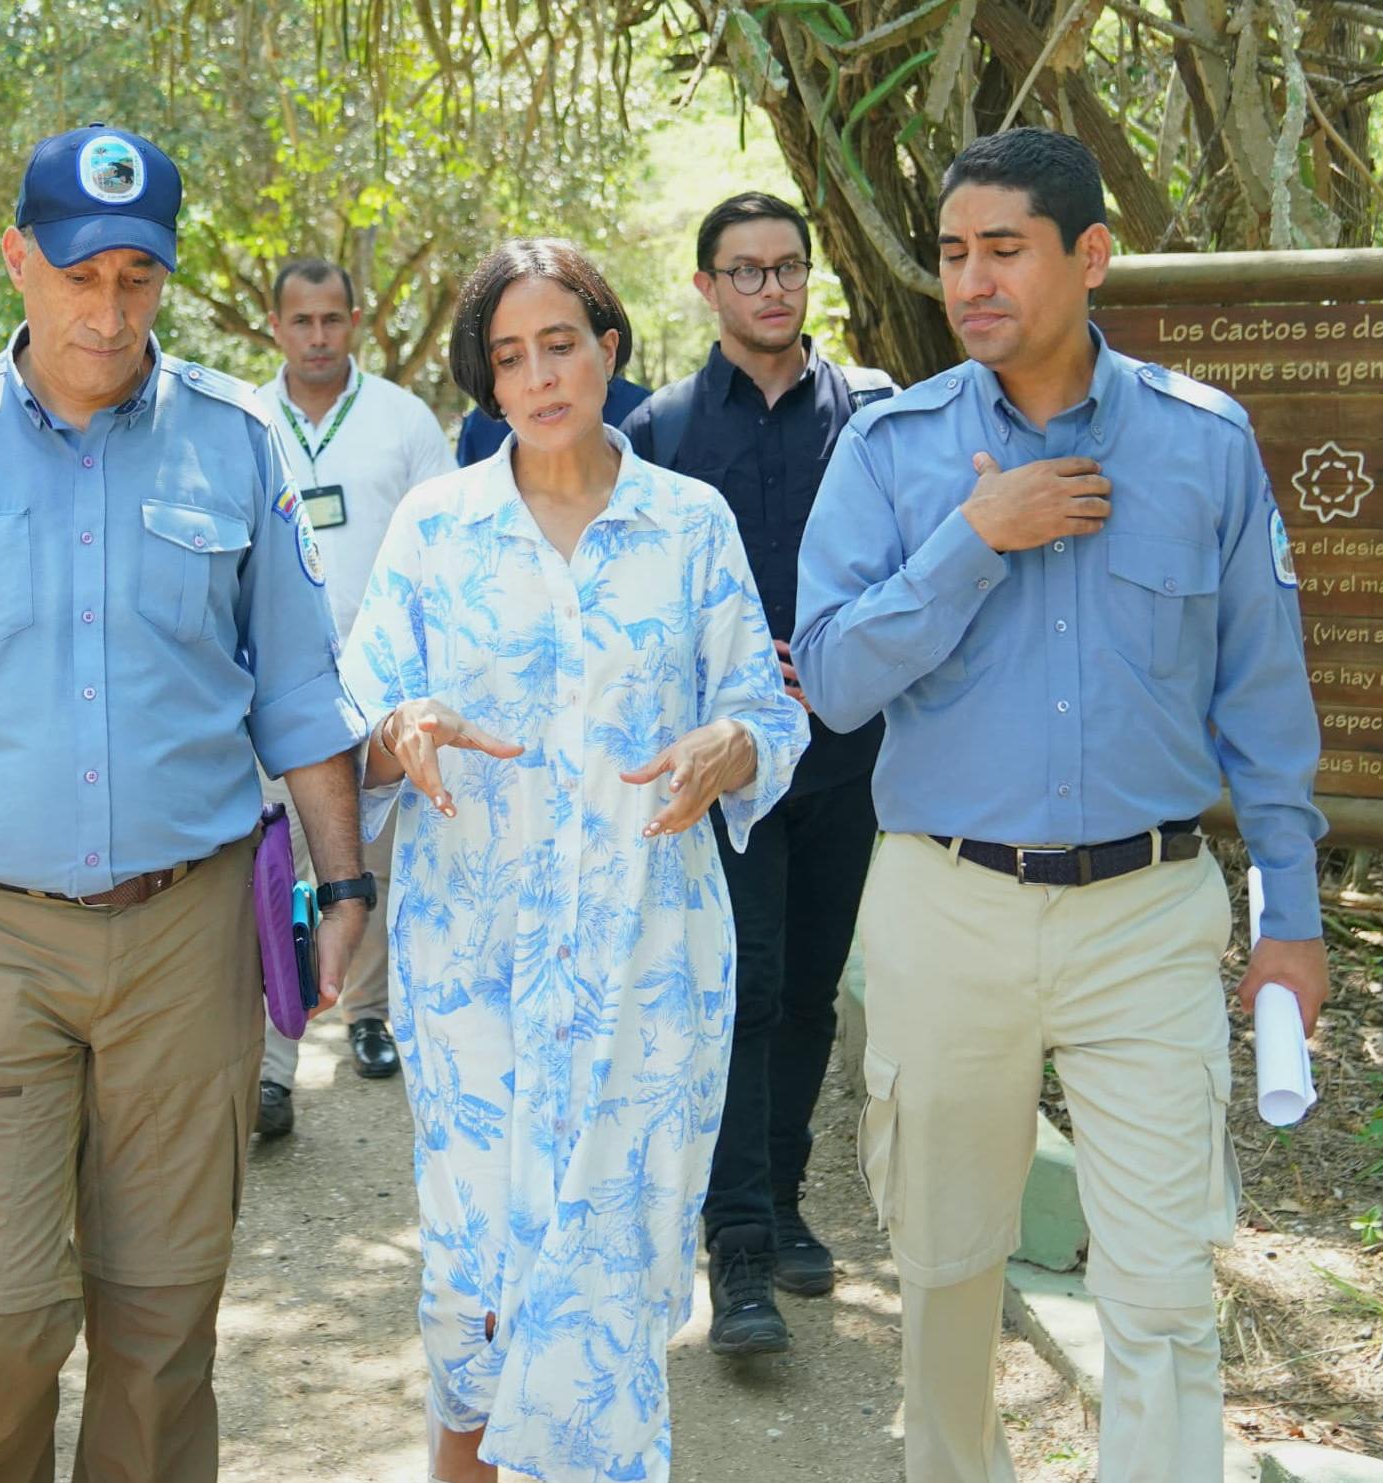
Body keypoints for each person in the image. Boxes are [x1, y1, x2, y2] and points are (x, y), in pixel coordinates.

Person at [0, 124, 370, 1483]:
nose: (107, 313)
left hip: (186, 933)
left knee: (162, 1330)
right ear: (15, 264)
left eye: (137, 279)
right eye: (77, 275)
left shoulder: (233, 442)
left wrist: (343, 886)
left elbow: (297, 687)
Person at [793, 128, 1327, 1483]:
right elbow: (835, 680)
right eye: (953, 253)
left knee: (1159, 1289)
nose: (968, 280)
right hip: (943, 900)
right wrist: (971, 541)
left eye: (1002, 249)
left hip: (1145, 910)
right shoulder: (890, 449)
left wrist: (1291, 916)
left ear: (1087, 256)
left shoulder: (1202, 446)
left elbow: (1262, 704)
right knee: (947, 1268)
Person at [345, 238, 804, 1483]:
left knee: (607, 1276)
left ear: (608, 349)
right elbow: (356, 722)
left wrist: (729, 747)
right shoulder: (434, 529)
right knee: (477, 1280)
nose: (540, 374)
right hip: (470, 963)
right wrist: (397, 733)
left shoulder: (687, 524)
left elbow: (772, 719)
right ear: (484, 384)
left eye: (561, 343)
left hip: (646, 968)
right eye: (509, 356)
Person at [615, 191, 898, 1356]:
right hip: (719, 771)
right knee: (737, 988)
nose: (769, 288)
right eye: (744, 271)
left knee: (805, 993)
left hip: (845, 756)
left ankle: (778, 1202)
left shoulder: (876, 420)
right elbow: (632, 597)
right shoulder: (661, 429)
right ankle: (731, 1245)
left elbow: (910, 564)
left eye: (785, 268)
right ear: (705, 289)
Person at [248, 253, 454, 1138]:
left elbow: (444, 546)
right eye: (302, 321)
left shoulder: (403, 422)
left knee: (370, 858)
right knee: (268, 871)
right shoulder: (245, 420)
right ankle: (270, 1067)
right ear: (275, 327)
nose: (318, 336)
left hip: (381, 688)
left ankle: (368, 1015)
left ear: (357, 322)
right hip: (268, 689)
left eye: (333, 319)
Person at [453, 367, 646, 465]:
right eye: (510, 358)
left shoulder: (643, 411)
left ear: (608, 350)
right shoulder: (480, 425)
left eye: (560, 347)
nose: (538, 379)